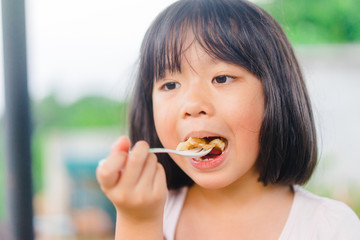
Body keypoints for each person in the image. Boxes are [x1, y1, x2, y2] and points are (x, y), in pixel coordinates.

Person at [96, 0, 360, 239]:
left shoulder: (330, 227)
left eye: (221, 78)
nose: (192, 105)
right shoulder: (151, 213)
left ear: (274, 93)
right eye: (170, 85)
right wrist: (138, 222)